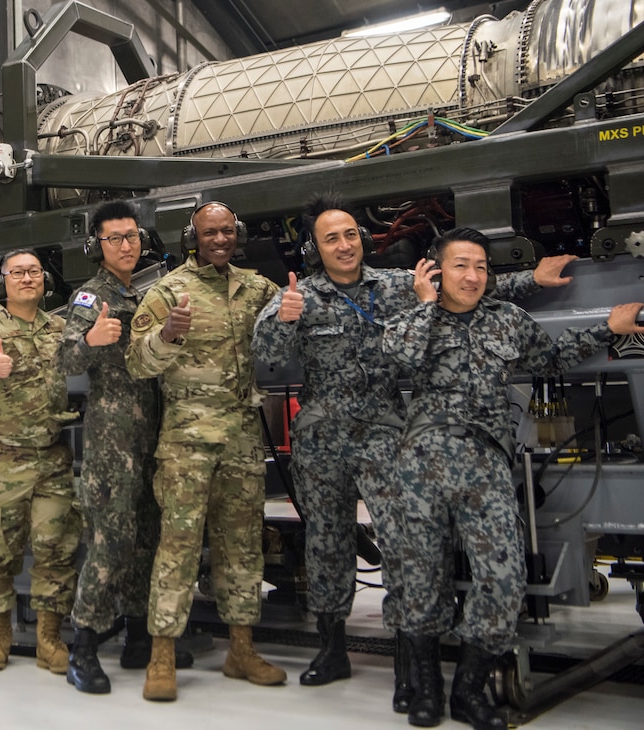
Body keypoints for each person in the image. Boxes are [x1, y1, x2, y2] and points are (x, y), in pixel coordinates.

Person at [250, 193, 578, 711]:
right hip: (323, 436)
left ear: (363, 238)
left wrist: (531, 280)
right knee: (327, 543)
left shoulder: (399, 286)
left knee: (405, 547)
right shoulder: (299, 296)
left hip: (386, 432)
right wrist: (284, 319)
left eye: (351, 234)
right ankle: (332, 649)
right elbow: (265, 358)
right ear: (315, 247)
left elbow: (463, 287)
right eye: (331, 237)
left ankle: (410, 668)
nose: (344, 244)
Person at [383, 227, 644, 729]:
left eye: (481, 266)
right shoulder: (412, 321)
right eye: (460, 265)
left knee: (503, 579)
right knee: (419, 580)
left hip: (485, 462)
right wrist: (424, 303)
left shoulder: (507, 321)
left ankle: (468, 690)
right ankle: (427, 690)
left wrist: (608, 327)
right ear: (437, 270)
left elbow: (550, 359)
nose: (473, 276)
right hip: (420, 463)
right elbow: (398, 360)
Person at [126, 201, 286, 702]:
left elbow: (281, 344)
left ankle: (241, 649)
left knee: (243, 546)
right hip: (187, 442)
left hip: (241, 437)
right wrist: (168, 333)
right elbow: (137, 362)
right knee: (178, 548)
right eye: (209, 232)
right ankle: (162, 656)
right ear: (192, 237)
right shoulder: (168, 290)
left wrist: (291, 319)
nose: (219, 239)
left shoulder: (259, 289)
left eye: (226, 231)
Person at [58, 201, 193, 694]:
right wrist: (91, 340)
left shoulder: (153, 291)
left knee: (149, 536)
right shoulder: (91, 297)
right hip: (113, 435)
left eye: (132, 236)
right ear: (98, 244)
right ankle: (85, 647)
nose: (125, 245)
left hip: (157, 429)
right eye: (114, 238)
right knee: (110, 540)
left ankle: (140, 635)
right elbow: (66, 358)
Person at [0, 249, 82, 675]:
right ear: (2, 281)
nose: (27, 279)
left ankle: (49, 639)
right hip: (1, 461)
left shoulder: (60, 329)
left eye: (34, 272)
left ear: (44, 280)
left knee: (56, 550)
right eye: (17, 273)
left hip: (52, 458)